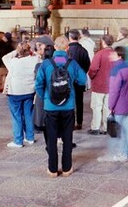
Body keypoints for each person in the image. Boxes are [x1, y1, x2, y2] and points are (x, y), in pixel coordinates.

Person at [34, 35, 88, 177]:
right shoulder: (72, 63)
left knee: (51, 139)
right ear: (67, 48)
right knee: (67, 137)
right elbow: (83, 80)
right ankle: (66, 168)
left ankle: (52, 169)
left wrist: (45, 96)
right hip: (68, 106)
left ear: (55, 47)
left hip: (50, 107)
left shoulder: (46, 64)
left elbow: (38, 84)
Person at [3, 39, 39, 148]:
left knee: (17, 115)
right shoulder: (35, 59)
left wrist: (17, 50)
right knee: (28, 114)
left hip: (15, 92)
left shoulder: (13, 62)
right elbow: (39, 55)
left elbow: (4, 57)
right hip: (29, 90)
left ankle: (18, 141)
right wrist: (30, 51)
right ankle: (30, 137)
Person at [106, 46, 128, 163]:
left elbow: (114, 91)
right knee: (127, 130)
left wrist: (111, 105)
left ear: (119, 55)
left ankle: (121, 153)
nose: (111, 56)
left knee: (119, 132)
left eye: (113, 54)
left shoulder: (116, 70)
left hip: (119, 104)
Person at [88, 34, 117, 135]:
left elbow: (93, 69)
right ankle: (106, 128)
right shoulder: (115, 54)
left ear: (103, 42)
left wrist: (91, 76)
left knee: (96, 107)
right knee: (108, 108)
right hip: (112, 85)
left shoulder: (99, 54)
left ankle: (95, 127)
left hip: (99, 85)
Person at [67, 29, 91, 129]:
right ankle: (79, 122)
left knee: (69, 101)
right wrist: (81, 74)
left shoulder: (67, 50)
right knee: (79, 101)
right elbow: (87, 64)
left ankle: (70, 122)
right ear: (79, 37)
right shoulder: (83, 50)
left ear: (69, 37)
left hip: (68, 80)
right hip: (80, 80)